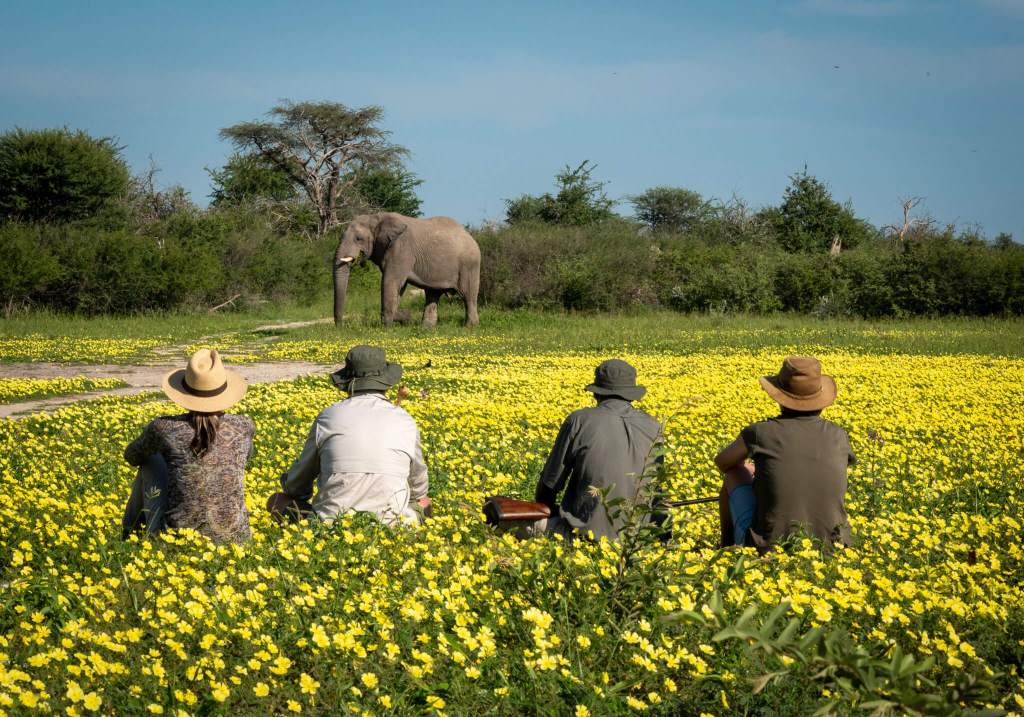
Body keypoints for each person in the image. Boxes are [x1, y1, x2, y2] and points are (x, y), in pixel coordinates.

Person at [269, 345, 430, 526]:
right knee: (425, 502)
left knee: (276, 500)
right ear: (386, 382)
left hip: (331, 527)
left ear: (347, 382)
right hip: (394, 526)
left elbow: (296, 486)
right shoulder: (405, 421)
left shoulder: (328, 417)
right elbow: (419, 490)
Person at [715, 355, 854, 552]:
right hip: (834, 547)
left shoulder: (760, 432)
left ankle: (727, 549)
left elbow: (722, 463)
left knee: (734, 473)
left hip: (769, 549)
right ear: (820, 400)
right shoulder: (838, 435)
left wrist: (751, 469)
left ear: (779, 398)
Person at [122, 348, 253, 543]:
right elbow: (247, 457)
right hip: (237, 542)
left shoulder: (163, 428)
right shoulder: (244, 426)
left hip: (178, 541)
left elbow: (132, 456)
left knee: (151, 460)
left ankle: (128, 533)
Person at [533, 359, 664, 541]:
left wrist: (547, 509)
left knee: (502, 517)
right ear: (632, 395)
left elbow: (549, 486)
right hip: (642, 540)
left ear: (596, 393)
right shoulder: (654, 426)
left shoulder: (579, 420)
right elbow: (656, 487)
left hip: (583, 537)